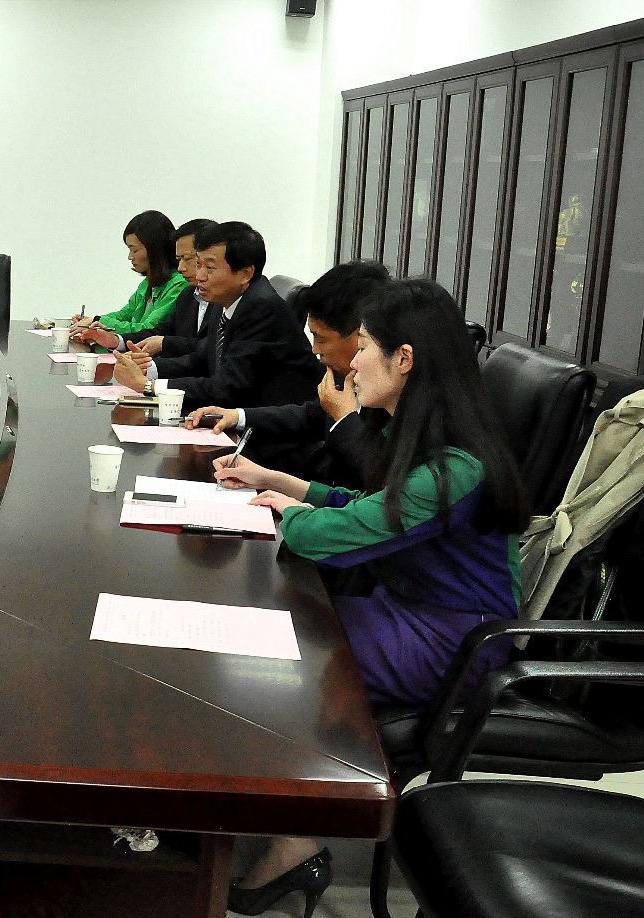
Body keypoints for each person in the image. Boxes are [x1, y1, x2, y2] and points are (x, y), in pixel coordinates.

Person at [211, 278, 529, 916]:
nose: (351, 363)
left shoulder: (456, 467)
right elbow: (368, 506)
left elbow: (348, 533)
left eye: (364, 348)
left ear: (403, 359)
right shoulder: (426, 440)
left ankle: (294, 836)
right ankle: (289, 822)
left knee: (276, 654)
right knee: (283, 630)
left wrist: (290, 517)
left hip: (457, 642)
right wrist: (282, 484)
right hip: (413, 615)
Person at [186, 260, 392, 488]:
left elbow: (381, 481)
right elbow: (312, 414)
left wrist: (345, 417)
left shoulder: (394, 397)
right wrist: (237, 416)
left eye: (321, 339)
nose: (314, 350)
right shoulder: (347, 378)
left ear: (361, 335)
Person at [110, 220, 322, 410]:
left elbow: (228, 387)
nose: (200, 276)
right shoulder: (225, 299)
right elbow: (202, 359)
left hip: (271, 430)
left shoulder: (261, 307)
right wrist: (148, 368)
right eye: (198, 264)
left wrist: (148, 385)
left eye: (209, 267)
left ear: (245, 274)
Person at [69, 210, 187, 352]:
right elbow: (124, 315)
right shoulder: (147, 284)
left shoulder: (179, 284)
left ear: (155, 250)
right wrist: (91, 323)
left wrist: (98, 320)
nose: (130, 257)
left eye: (135, 250)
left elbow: (147, 330)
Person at [128, 218, 216, 357]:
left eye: (187, 258)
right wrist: (116, 340)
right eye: (179, 259)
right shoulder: (188, 295)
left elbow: (208, 349)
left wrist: (162, 347)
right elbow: (160, 332)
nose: (180, 268)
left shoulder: (228, 299)